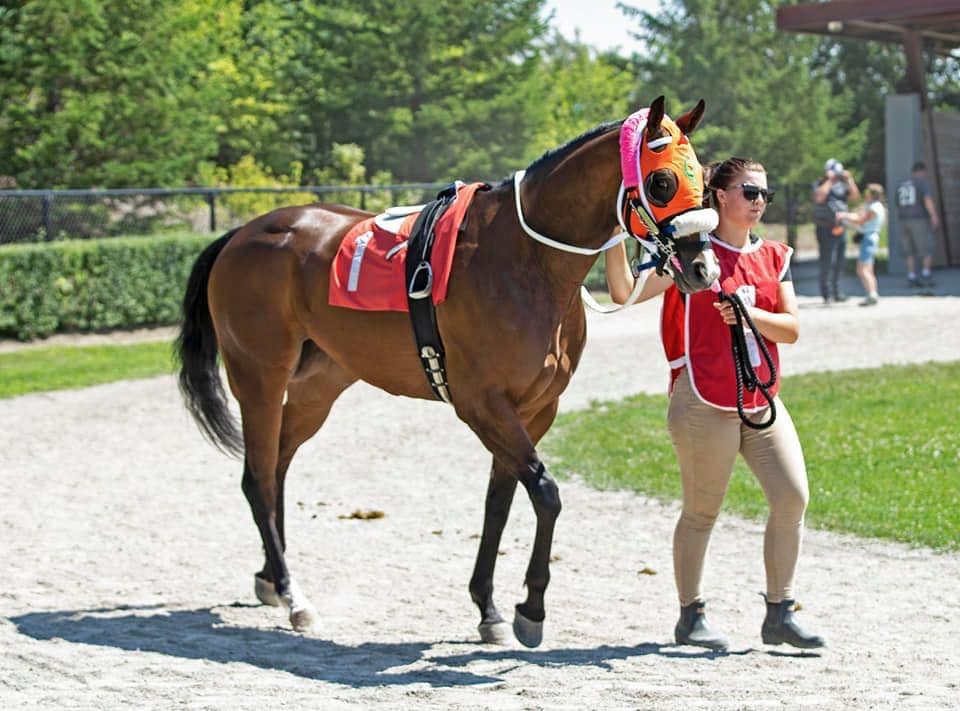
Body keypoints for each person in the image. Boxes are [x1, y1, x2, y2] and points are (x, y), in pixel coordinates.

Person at [604, 157, 825, 652]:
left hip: (760, 398)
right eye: (750, 192)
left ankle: (780, 612)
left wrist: (748, 313)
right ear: (720, 196)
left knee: (792, 498)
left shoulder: (775, 255)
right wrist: (615, 235)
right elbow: (621, 292)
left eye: (764, 194)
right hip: (701, 401)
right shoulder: (689, 256)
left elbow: (791, 329)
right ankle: (691, 615)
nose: (759, 202)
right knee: (703, 511)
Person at [813, 158, 860, 304]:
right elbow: (819, 197)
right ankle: (826, 294)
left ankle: (837, 292)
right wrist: (829, 180)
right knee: (827, 261)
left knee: (840, 262)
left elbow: (855, 197)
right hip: (825, 227)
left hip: (841, 228)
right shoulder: (820, 183)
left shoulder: (842, 185)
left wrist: (849, 179)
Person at [838, 184, 886, 306]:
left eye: (867, 193)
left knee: (862, 269)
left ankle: (872, 295)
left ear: (872, 194)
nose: (866, 195)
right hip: (871, 237)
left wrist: (845, 216)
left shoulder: (874, 207)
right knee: (868, 269)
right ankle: (872, 293)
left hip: (868, 238)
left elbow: (861, 220)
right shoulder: (876, 206)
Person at [895, 161, 939, 287]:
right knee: (925, 248)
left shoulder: (901, 185)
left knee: (909, 251)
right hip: (919, 219)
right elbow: (927, 200)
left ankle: (911, 276)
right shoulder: (922, 183)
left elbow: (897, 204)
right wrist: (934, 216)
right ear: (921, 171)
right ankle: (926, 275)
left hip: (903, 220)